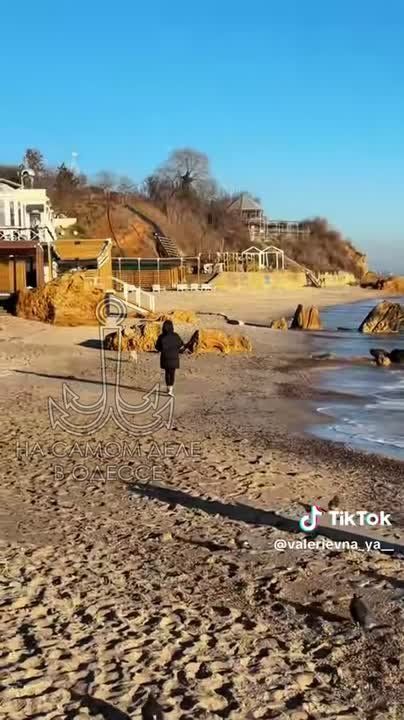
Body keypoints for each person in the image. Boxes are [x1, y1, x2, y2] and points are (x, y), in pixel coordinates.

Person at [155, 319, 184, 396]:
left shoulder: (161, 337)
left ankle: (168, 388)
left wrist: (162, 349)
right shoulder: (176, 336)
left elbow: (157, 347)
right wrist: (177, 350)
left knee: (167, 373)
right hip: (174, 358)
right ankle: (170, 389)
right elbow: (181, 345)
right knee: (172, 373)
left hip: (165, 357)